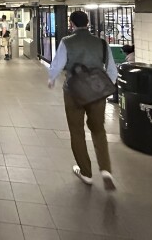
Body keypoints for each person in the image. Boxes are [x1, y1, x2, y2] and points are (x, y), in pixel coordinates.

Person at [47, 11, 118, 190]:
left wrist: (52, 78)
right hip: (96, 91)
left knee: (77, 130)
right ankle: (106, 169)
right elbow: (112, 70)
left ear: (71, 23)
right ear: (87, 23)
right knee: (98, 129)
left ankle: (86, 172)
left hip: (74, 91)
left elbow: (58, 63)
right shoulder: (101, 43)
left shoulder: (67, 41)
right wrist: (105, 88)